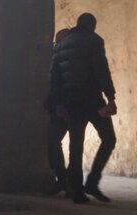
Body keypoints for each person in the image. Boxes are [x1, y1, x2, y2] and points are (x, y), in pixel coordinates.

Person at [49, 13, 117, 204]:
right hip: (92, 99)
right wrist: (110, 97)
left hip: (71, 102)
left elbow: (54, 78)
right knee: (109, 139)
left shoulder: (61, 45)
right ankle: (93, 182)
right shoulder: (94, 41)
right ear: (92, 26)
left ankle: (77, 191)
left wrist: (59, 103)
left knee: (75, 146)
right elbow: (102, 70)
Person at [43, 28, 71, 196]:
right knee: (53, 142)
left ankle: (66, 181)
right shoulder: (59, 57)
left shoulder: (61, 57)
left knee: (55, 142)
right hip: (61, 106)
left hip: (70, 105)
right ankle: (63, 180)